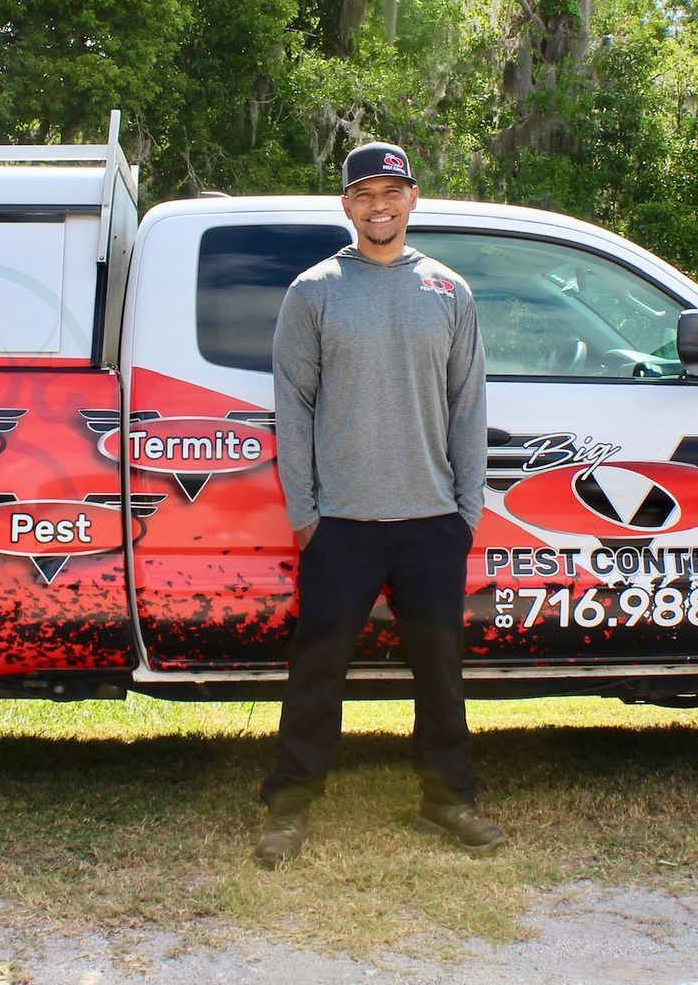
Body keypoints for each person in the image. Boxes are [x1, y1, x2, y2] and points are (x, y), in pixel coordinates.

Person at [254, 141, 504, 869]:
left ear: (413, 198)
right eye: (364, 193)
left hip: (431, 521)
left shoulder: (449, 292)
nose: (379, 205)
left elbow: (469, 404)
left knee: (439, 670)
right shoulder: (315, 291)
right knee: (318, 669)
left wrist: (466, 508)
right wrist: (305, 512)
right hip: (341, 523)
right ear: (346, 206)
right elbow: (292, 407)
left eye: (390, 192)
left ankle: (448, 800)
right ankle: (289, 804)